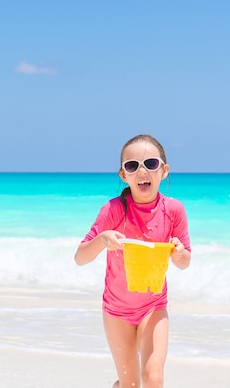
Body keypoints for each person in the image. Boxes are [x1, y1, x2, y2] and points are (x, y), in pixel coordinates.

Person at [75, 134, 191, 388]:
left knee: (153, 377)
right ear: (123, 175)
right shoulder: (114, 209)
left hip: (154, 306)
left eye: (150, 163)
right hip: (116, 312)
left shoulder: (173, 211)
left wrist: (179, 253)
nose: (142, 171)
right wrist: (101, 239)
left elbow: (184, 262)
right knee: (131, 385)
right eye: (132, 166)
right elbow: (80, 257)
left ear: (164, 170)